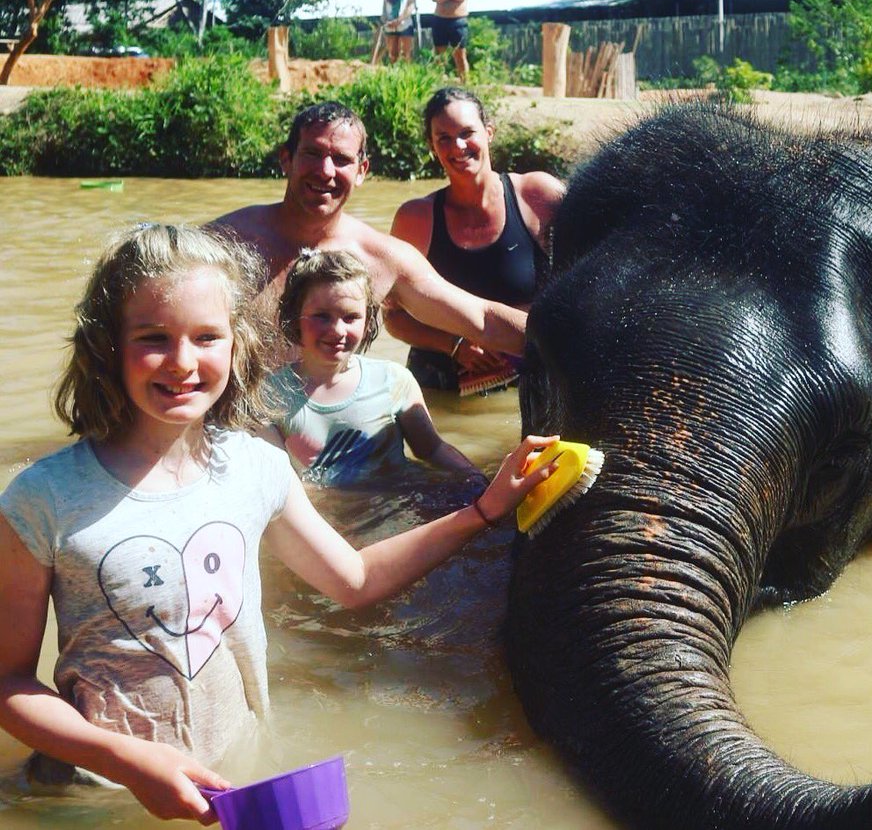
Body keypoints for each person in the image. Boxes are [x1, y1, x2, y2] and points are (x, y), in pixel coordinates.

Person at [0, 223, 556, 823]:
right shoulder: (44, 498)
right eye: (153, 337)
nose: (183, 362)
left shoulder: (256, 469)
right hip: (94, 796)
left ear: (237, 345)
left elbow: (356, 580)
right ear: (107, 344)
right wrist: (126, 759)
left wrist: (483, 510)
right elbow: (7, 681)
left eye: (207, 337)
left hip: (238, 773)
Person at [210, 101, 527, 362]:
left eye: (341, 159)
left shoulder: (381, 258)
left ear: (361, 171)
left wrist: (565, 339)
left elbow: (482, 320)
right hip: (241, 428)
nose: (326, 171)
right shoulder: (226, 243)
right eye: (312, 154)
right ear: (286, 160)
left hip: (334, 433)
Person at [389, 87, 565, 390]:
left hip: (530, 381)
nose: (458, 146)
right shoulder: (415, 219)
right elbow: (393, 316)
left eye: (467, 133)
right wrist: (454, 344)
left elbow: (589, 278)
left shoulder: (537, 196)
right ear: (432, 146)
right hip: (442, 386)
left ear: (489, 133)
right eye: (443, 138)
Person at [266, 247, 485, 486]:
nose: (337, 330)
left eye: (351, 317)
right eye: (322, 316)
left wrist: (478, 481)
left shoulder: (393, 380)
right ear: (294, 316)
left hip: (398, 507)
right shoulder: (272, 395)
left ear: (368, 321)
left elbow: (431, 450)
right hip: (325, 520)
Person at [428, 0, 473, 82]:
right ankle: (439, 82)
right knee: (439, 55)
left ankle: (465, 83)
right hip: (439, 21)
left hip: (458, 21)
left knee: (460, 55)